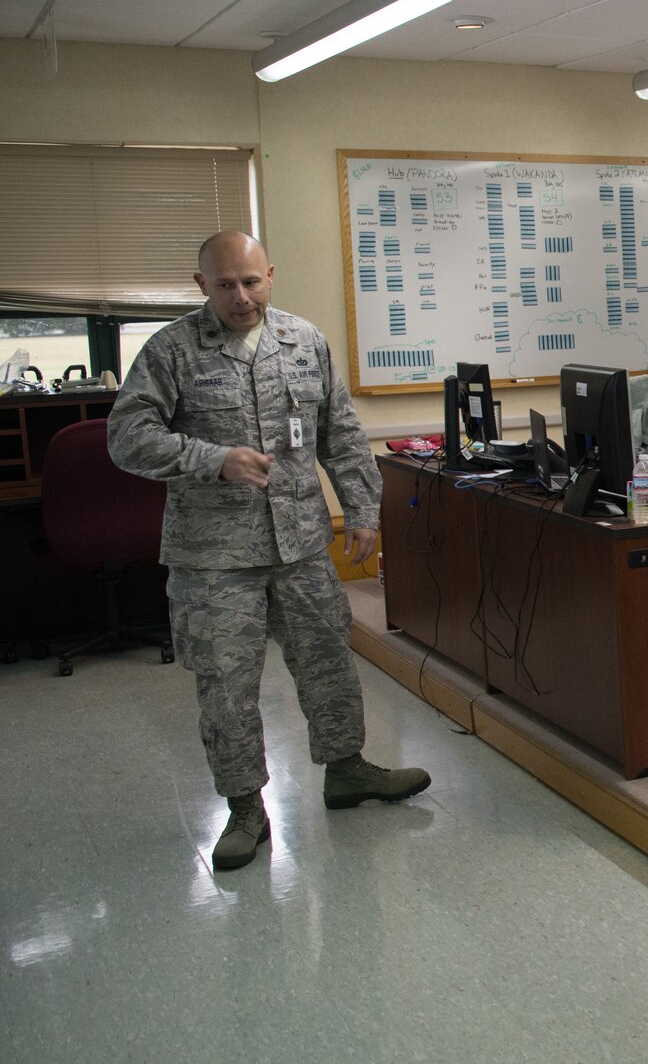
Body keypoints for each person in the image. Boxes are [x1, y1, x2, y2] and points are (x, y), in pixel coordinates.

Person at [107, 232, 429, 872]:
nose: (241, 296)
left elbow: (339, 429)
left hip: (303, 544)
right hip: (213, 556)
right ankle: (245, 809)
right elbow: (126, 437)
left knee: (328, 662)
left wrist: (362, 510)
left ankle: (347, 771)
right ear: (202, 285)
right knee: (227, 686)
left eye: (251, 282)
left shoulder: (303, 342)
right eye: (225, 284)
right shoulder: (171, 351)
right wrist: (210, 459)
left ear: (270, 276)